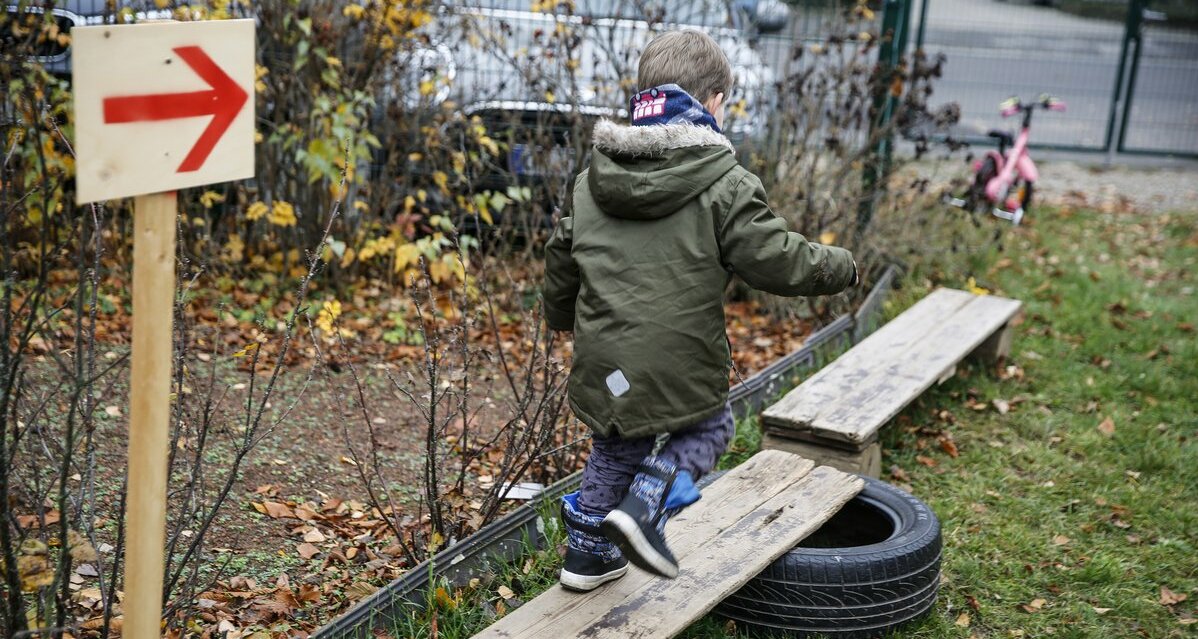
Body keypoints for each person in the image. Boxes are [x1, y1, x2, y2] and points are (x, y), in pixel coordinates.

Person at [543, 29, 859, 591]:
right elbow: (777, 261)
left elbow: (562, 259)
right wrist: (841, 267)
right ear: (713, 103)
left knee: (617, 441)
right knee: (713, 424)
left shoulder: (592, 181)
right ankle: (647, 503)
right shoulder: (724, 182)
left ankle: (586, 557)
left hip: (604, 358)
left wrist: (560, 317)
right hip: (678, 359)